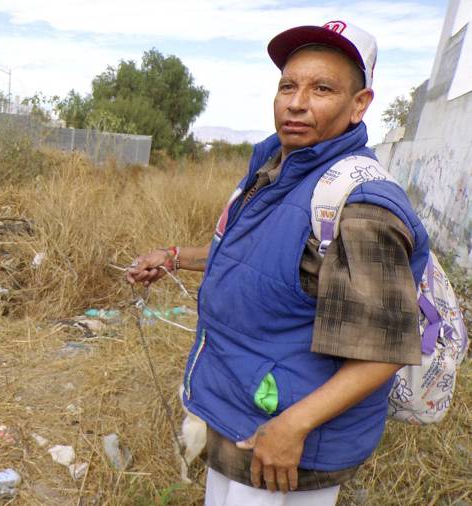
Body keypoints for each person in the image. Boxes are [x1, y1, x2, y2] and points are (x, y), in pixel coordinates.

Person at [127, 20, 430, 506]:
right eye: (288, 85)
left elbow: (385, 350)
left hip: (286, 444)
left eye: (322, 89)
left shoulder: (361, 205)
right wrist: (175, 258)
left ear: (360, 104)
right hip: (238, 410)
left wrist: (291, 427)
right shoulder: (277, 167)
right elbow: (257, 260)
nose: (296, 102)